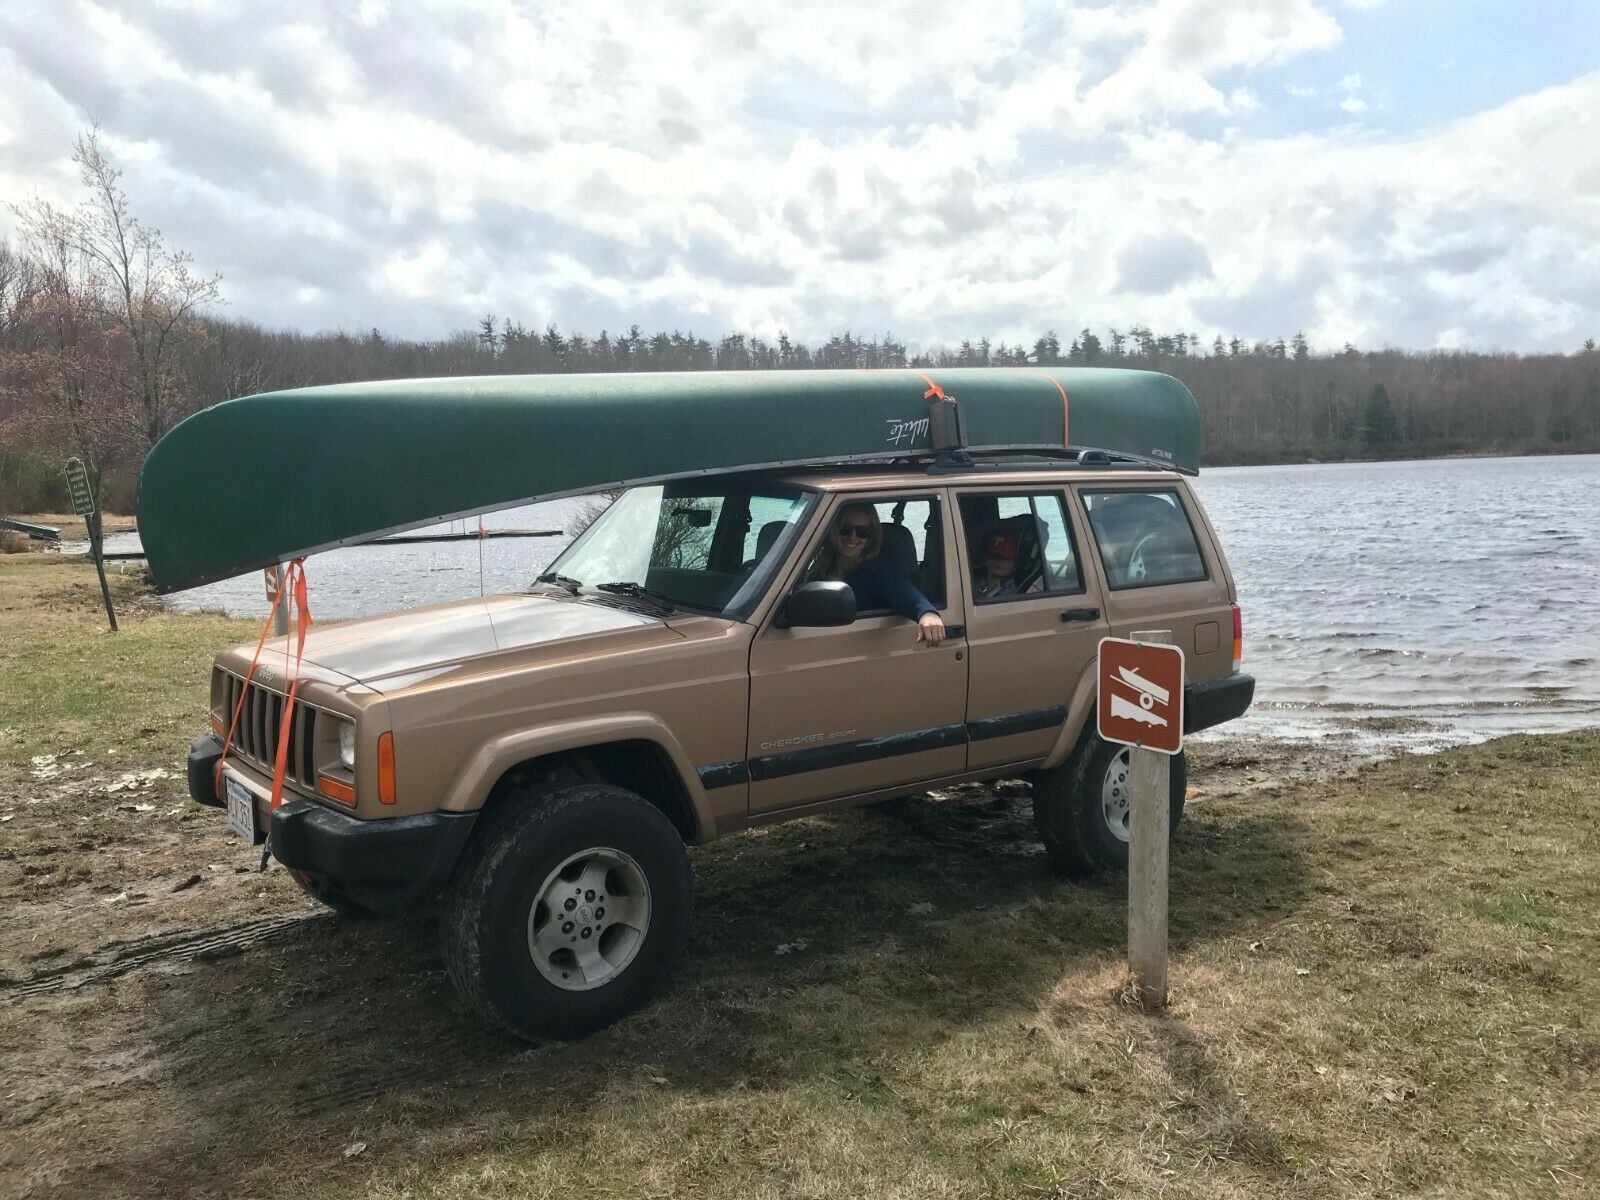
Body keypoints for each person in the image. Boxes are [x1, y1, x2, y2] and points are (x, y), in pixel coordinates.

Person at [810, 504, 946, 646]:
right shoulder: (820, 567)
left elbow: (902, 590)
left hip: (858, 646)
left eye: (863, 532)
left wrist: (927, 613)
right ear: (834, 529)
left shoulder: (878, 572)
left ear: (871, 537)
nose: (853, 537)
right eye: (845, 529)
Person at [972, 529, 1029, 599]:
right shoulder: (972, 582)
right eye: (994, 555)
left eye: (1006, 557)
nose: (999, 560)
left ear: (1016, 566)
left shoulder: (1014, 592)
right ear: (986, 558)